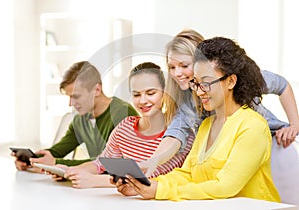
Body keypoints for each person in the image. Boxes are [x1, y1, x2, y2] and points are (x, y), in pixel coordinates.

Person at [113, 36, 281, 202]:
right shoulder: (206, 125)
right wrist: (145, 185)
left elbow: (225, 186)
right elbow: (187, 174)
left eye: (206, 83)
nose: (199, 92)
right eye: (196, 83)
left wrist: (160, 190)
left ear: (230, 81)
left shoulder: (252, 127)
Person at [141, 29, 299, 177]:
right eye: (172, 67)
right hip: (239, 155)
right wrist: (154, 160)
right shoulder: (189, 102)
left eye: (184, 65)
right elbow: (175, 135)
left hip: (277, 143)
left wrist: (294, 125)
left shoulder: (238, 79)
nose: (177, 73)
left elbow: (281, 85)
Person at [51, 62, 194, 188]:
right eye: (136, 95)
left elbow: (151, 177)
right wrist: (71, 172)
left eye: (150, 93)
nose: (142, 101)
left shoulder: (179, 136)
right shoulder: (125, 127)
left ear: (165, 94)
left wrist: (95, 181)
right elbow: (101, 163)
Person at [12, 61, 138, 170]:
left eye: (76, 96)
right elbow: (57, 151)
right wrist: (31, 160)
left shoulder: (123, 114)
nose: (71, 103)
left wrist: (57, 163)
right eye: (69, 97)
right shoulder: (80, 119)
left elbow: (111, 163)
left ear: (97, 90)